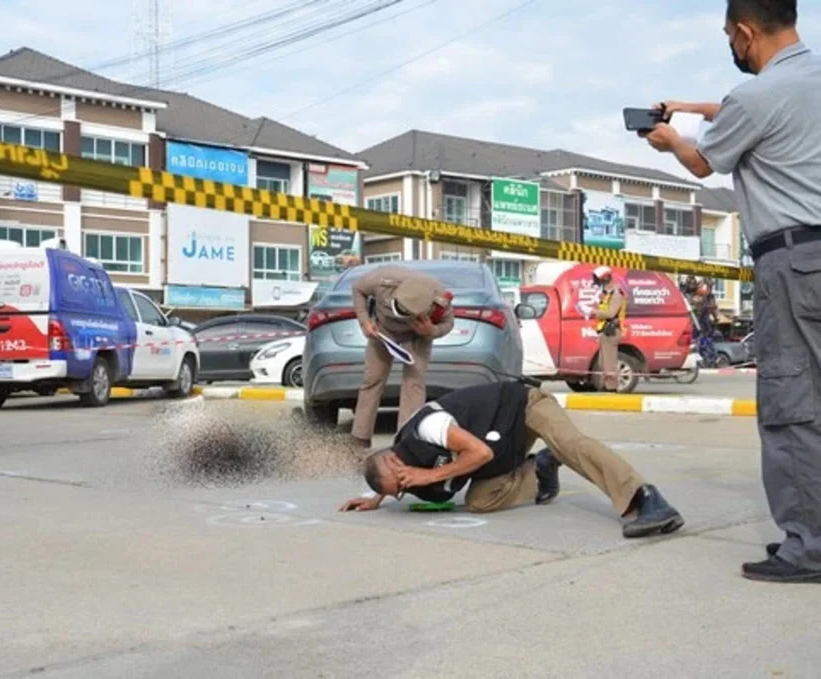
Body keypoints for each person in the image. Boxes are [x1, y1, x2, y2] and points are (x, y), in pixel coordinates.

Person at [642, 0, 821, 582]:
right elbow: (743, 111)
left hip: (793, 263)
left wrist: (670, 138)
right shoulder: (807, 80)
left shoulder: (756, 98)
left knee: (793, 407)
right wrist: (691, 106)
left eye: (729, 36)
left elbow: (703, 162)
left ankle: (808, 548)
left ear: (745, 32)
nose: (731, 46)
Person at [338, 380, 685, 539]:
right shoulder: (396, 466)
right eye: (399, 492)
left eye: (401, 483)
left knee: (570, 444)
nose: (406, 490)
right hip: (504, 445)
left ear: (399, 464)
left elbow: (480, 453)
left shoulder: (427, 428)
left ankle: (646, 499)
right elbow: (384, 466)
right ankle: (542, 469)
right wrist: (377, 495)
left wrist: (426, 477)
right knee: (480, 500)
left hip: (523, 407)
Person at [349, 265, 455, 447]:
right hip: (382, 331)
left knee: (413, 384)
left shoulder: (439, 298)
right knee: (372, 379)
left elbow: (448, 323)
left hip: (418, 336)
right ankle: (360, 438)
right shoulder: (383, 279)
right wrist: (364, 321)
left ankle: (406, 441)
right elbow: (357, 288)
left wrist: (432, 330)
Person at [590, 266, 627, 392]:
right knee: (603, 363)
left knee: (609, 363)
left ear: (605, 279)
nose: (598, 285)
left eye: (599, 282)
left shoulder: (616, 294)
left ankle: (611, 389)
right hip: (605, 331)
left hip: (611, 331)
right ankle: (607, 386)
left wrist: (593, 311)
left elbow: (611, 313)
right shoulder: (607, 295)